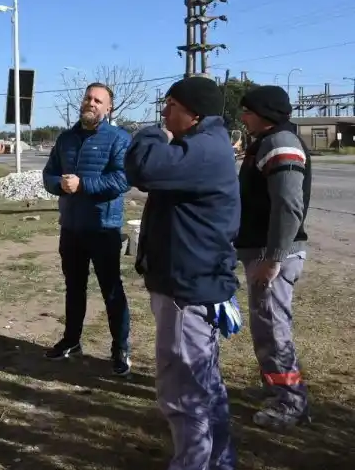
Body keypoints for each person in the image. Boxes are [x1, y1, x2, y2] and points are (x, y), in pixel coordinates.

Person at [125, 76, 241, 470]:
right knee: (205, 386)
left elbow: (143, 168)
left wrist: (150, 134)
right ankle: (218, 461)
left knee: (183, 391)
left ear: (194, 112)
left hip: (188, 288)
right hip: (194, 281)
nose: (164, 112)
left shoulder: (205, 149)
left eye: (170, 105)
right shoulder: (205, 145)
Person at [41, 82, 132, 376]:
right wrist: (58, 185)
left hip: (103, 228)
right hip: (72, 228)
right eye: (87, 98)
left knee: (112, 290)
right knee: (74, 288)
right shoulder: (66, 139)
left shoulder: (119, 139)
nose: (90, 103)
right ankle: (71, 340)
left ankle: (120, 348)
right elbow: (49, 174)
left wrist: (83, 185)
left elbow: (122, 180)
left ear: (108, 108)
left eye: (98, 100)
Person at [236, 85, 311, 428]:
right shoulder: (264, 142)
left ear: (264, 113)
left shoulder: (281, 143)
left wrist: (274, 256)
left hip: (273, 255)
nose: (243, 116)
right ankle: (274, 386)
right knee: (265, 326)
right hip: (262, 252)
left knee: (273, 328)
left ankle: (290, 402)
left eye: (247, 110)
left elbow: (288, 206)